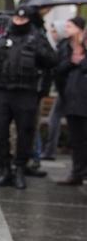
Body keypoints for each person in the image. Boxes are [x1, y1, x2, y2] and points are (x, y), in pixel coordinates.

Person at [0, 5, 58, 189]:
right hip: (3, 91)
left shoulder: (36, 38)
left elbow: (52, 61)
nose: (19, 22)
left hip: (26, 92)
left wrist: (39, 46)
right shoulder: (4, 38)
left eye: (23, 19)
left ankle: (20, 169)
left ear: (29, 20)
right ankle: (3, 170)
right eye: (16, 19)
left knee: (25, 132)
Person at [53, 16, 87, 185]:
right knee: (76, 140)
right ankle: (77, 172)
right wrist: (73, 61)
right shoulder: (67, 48)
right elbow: (59, 70)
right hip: (73, 101)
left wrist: (82, 62)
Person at [43, 21, 68, 161]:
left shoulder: (64, 47)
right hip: (63, 89)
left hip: (67, 90)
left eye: (54, 31)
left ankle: (50, 150)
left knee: (54, 119)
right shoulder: (61, 47)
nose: (53, 35)